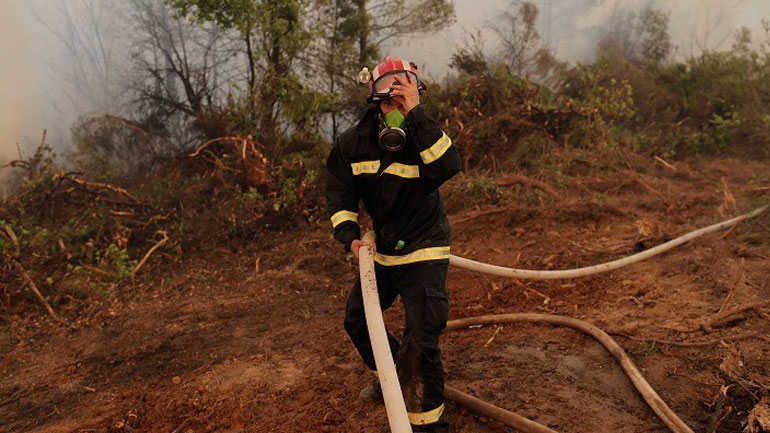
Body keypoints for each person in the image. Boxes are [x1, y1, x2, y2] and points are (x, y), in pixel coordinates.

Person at [325, 56, 462, 433]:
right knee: (357, 318)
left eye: (402, 103)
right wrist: (351, 238)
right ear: (374, 104)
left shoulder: (424, 134)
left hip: (425, 247)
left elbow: (448, 165)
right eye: (389, 103)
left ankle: (429, 425)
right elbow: (339, 196)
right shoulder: (353, 145)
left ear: (415, 100)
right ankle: (394, 373)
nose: (395, 112)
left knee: (421, 337)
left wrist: (415, 114)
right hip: (384, 250)